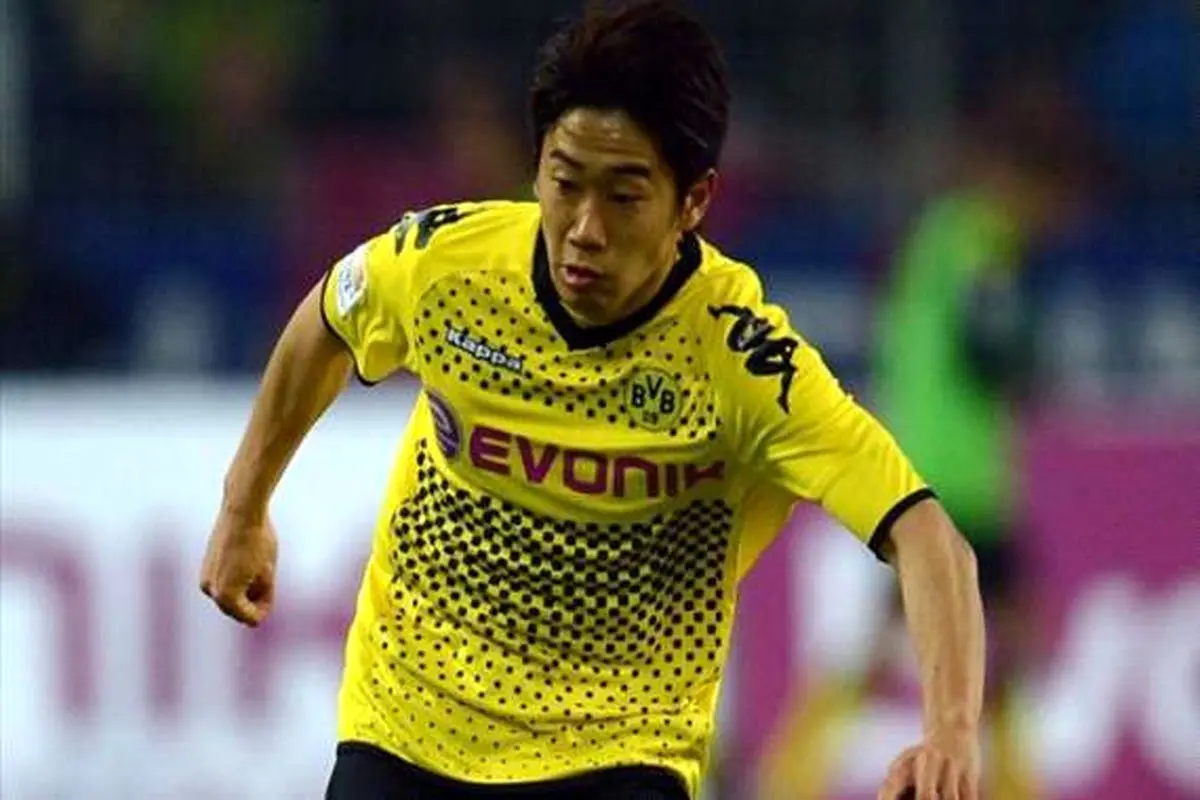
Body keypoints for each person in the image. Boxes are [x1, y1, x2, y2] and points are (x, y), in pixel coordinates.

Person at [198, 2, 986, 798]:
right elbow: (330, 319)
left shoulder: (741, 363)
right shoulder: (446, 267)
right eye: (565, 181)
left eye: (623, 196)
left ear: (694, 201)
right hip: (407, 729)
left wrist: (950, 733)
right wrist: (242, 508)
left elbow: (927, 536)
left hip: (618, 748)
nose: (584, 228)